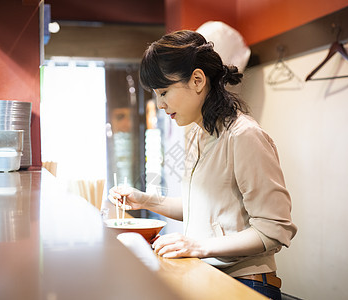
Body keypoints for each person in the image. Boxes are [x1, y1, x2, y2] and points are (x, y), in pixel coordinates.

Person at [108, 30, 297, 300]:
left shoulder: (244, 136)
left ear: (197, 80)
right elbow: (202, 208)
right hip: (209, 278)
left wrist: (197, 246)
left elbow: (274, 229)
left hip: (247, 284)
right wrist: (145, 200)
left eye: (164, 92)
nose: (160, 104)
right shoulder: (199, 133)